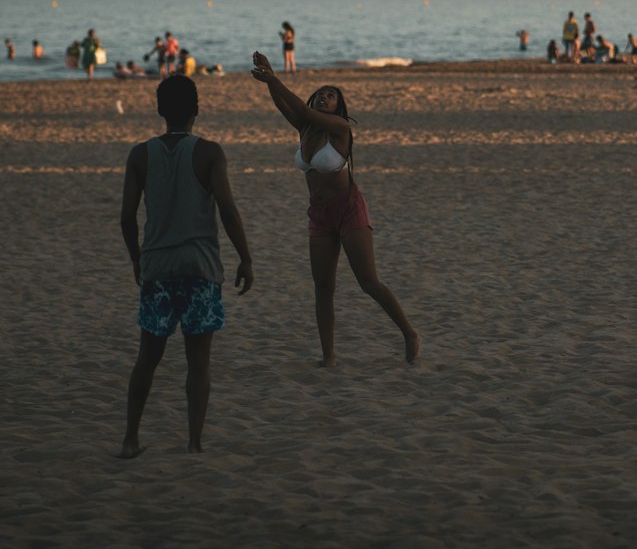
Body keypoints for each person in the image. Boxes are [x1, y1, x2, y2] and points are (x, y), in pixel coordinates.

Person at [251, 50, 420, 367]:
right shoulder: (305, 129)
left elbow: (299, 106)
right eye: (321, 94)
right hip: (319, 214)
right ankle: (328, 356)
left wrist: (274, 76)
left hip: (348, 209)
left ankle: (409, 333)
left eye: (331, 96)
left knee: (368, 281)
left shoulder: (340, 128)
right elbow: (286, 106)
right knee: (323, 287)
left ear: (338, 108)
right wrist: (268, 83)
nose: (324, 97)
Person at [119, 74, 253, 457]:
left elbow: (127, 217)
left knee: (148, 357)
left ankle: (131, 439)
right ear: (197, 109)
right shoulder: (209, 152)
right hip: (200, 268)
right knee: (198, 361)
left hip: (158, 267)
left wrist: (136, 256)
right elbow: (227, 210)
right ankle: (194, 442)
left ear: (160, 110)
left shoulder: (140, 155)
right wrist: (246, 257)